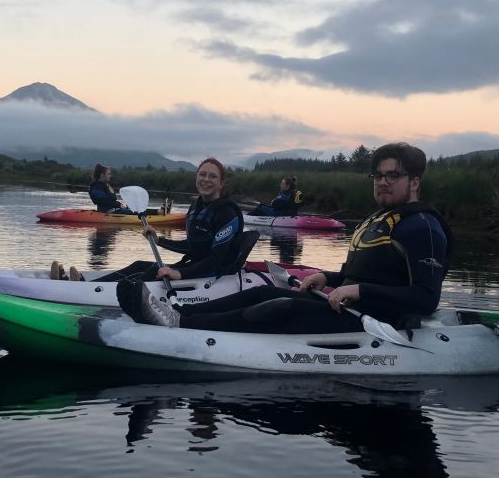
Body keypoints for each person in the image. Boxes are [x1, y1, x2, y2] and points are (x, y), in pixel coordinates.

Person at [119, 142, 453, 334]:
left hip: (376, 321)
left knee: (280, 305)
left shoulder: (422, 227)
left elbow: (425, 299)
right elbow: (360, 278)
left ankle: (183, 325)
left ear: (414, 181)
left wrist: (359, 290)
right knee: (266, 289)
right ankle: (181, 317)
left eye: (392, 175)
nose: (381, 182)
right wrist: (328, 278)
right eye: (377, 175)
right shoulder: (380, 220)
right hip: (348, 304)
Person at [57, 157, 244, 282]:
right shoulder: (197, 207)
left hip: (213, 275)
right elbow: (191, 246)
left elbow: (215, 259)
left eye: (212, 176)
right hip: (194, 267)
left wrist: (179, 273)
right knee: (139, 265)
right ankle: (84, 283)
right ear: (196, 177)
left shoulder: (227, 213)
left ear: (221, 183)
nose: (206, 179)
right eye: (202, 174)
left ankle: (83, 288)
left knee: (148, 273)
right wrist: (159, 240)